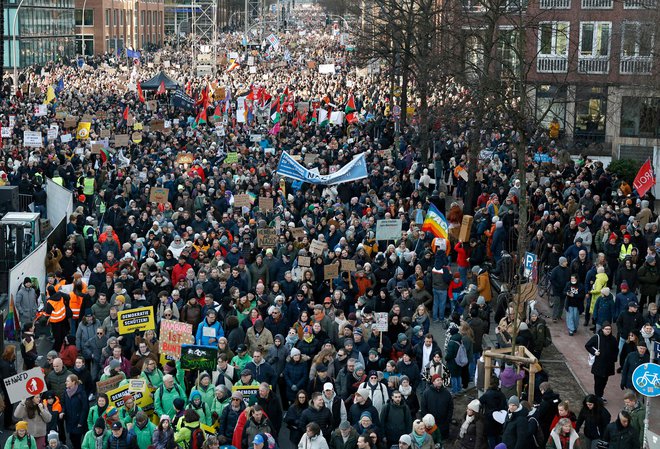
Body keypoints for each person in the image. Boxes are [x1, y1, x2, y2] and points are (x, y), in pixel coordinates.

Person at [584, 322, 617, 402]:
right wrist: (594, 352)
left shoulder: (613, 339)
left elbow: (616, 350)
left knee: (604, 381)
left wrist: (614, 359)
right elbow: (587, 345)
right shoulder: (597, 337)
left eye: (609, 329)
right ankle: (598, 396)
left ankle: (600, 395)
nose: (608, 331)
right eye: (606, 329)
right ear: (602, 329)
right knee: (598, 381)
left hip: (608, 364)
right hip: (599, 364)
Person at [420, 374, 453, 440]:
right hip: (431, 423)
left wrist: (448, 419)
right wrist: (427, 420)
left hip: (444, 422)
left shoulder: (446, 393)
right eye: (437, 380)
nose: (440, 381)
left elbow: (450, 407)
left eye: (441, 380)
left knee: (443, 439)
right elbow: (423, 407)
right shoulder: (426, 393)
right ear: (433, 382)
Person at [62, 374, 89, 449]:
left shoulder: (81, 393)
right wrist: (63, 411)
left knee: (77, 440)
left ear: (73, 382)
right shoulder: (66, 392)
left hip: (78, 422)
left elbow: (85, 408)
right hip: (70, 421)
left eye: (67, 381)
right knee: (72, 438)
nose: (66, 382)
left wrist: (81, 422)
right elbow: (63, 403)